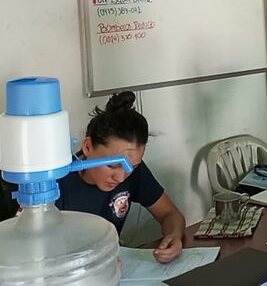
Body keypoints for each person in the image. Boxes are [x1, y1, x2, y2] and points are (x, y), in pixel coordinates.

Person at [56, 91, 186, 264]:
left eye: (132, 167)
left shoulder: (131, 172)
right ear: (87, 147)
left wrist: (174, 236)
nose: (120, 177)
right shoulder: (57, 182)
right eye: (112, 165)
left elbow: (170, 214)